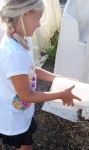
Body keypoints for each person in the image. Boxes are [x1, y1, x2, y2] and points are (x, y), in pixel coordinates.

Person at [0, 0, 81, 149]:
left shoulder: (23, 40)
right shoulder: (13, 53)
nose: (39, 25)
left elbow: (33, 69)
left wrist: (60, 78)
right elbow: (27, 96)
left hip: (22, 111)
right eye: (38, 18)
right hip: (13, 119)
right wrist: (60, 94)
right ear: (24, 15)